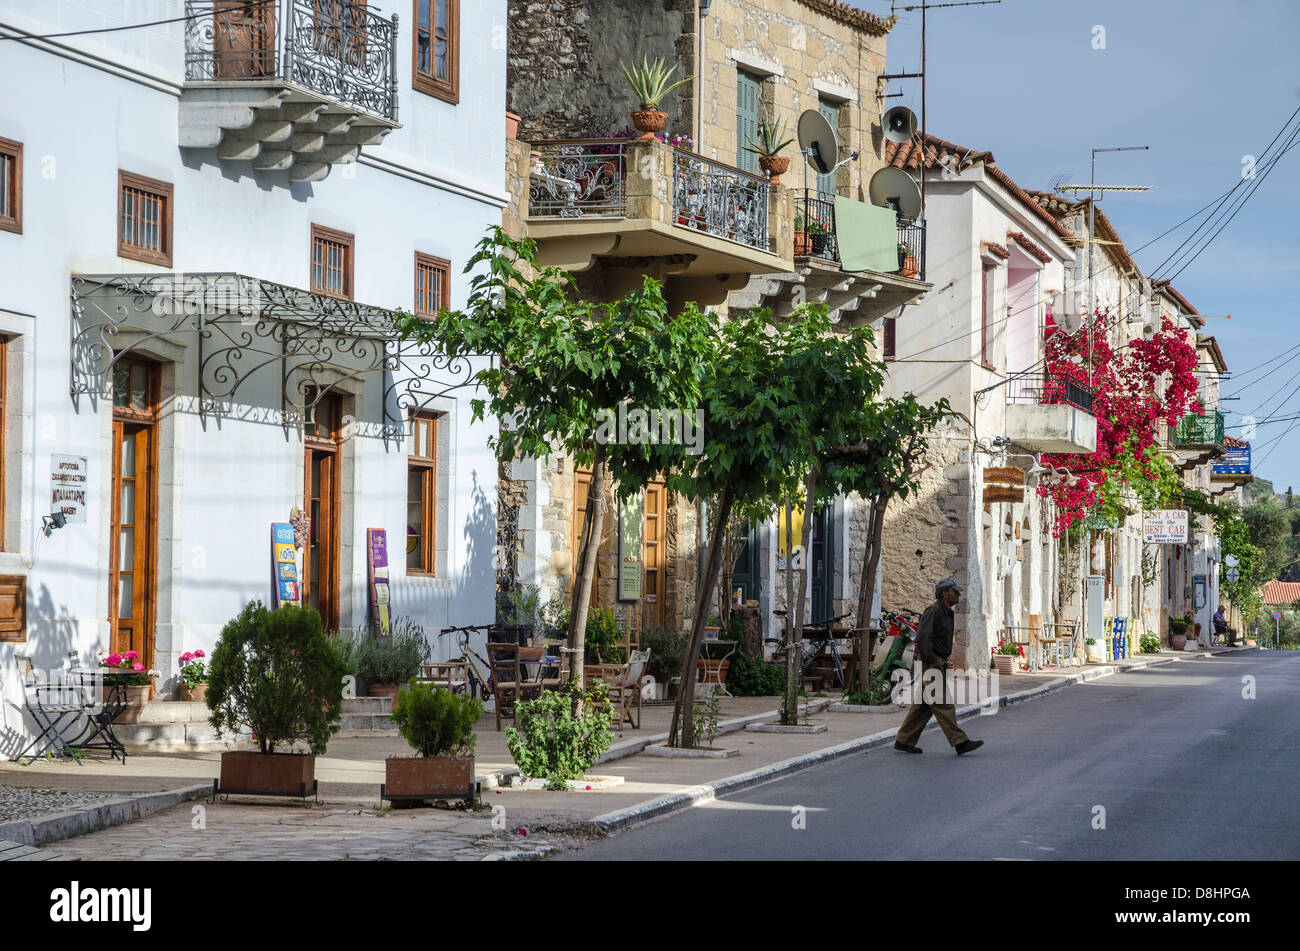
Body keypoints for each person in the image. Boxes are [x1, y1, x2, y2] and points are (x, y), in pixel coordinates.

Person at [894, 578, 984, 756]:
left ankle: (904, 740)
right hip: (931, 663)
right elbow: (922, 637)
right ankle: (960, 742)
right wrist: (932, 659)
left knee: (923, 704)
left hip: (937, 662)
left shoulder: (946, 612)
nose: (958, 594)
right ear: (945, 593)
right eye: (954, 591)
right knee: (943, 702)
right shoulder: (934, 611)